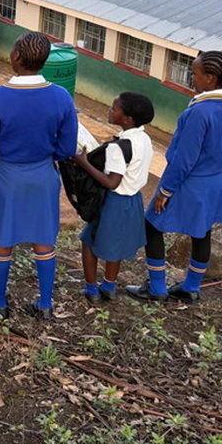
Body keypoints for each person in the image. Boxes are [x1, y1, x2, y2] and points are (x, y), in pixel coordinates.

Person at [127, 51, 222, 303]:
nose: (191, 77)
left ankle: (157, 288)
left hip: (189, 182)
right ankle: (191, 287)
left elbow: (185, 158)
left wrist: (166, 190)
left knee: (152, 225)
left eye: (194, 73)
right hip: (215, 181)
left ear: (210, 78)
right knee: (202, 230)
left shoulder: (200, 111)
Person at [0, 32, 78, 321]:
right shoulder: (61, 97)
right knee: (43, 238)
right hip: (43, 175)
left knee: (3, 238)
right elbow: (67, 148)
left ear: (16, 57)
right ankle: (45, 304)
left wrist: (4, 151)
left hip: (6, 176)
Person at [72, 93, 155, 303]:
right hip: (134, 200)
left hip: (114, 202)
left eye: (114, 108)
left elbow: (111, 182)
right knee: (116, 245)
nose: (110, 110)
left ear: (127, 119)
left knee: (88, 241)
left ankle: (92, 290)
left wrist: (84, 163)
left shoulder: (118, 147)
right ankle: (109, 286)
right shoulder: (144, 139)